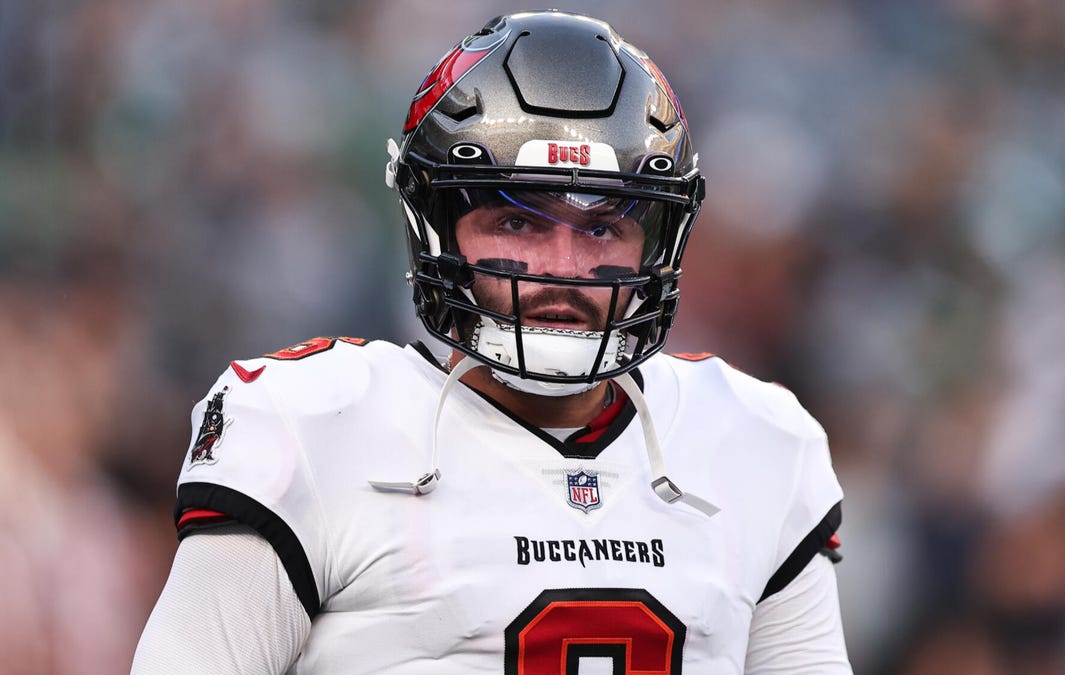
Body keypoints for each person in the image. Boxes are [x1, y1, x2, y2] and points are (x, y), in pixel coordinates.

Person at [132, 10, 850, 674]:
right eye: (518, 222)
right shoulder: (311, 427)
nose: (565, 269)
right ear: (435, 223)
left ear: (655, 243)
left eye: (602, 228)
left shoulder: (757, 441)